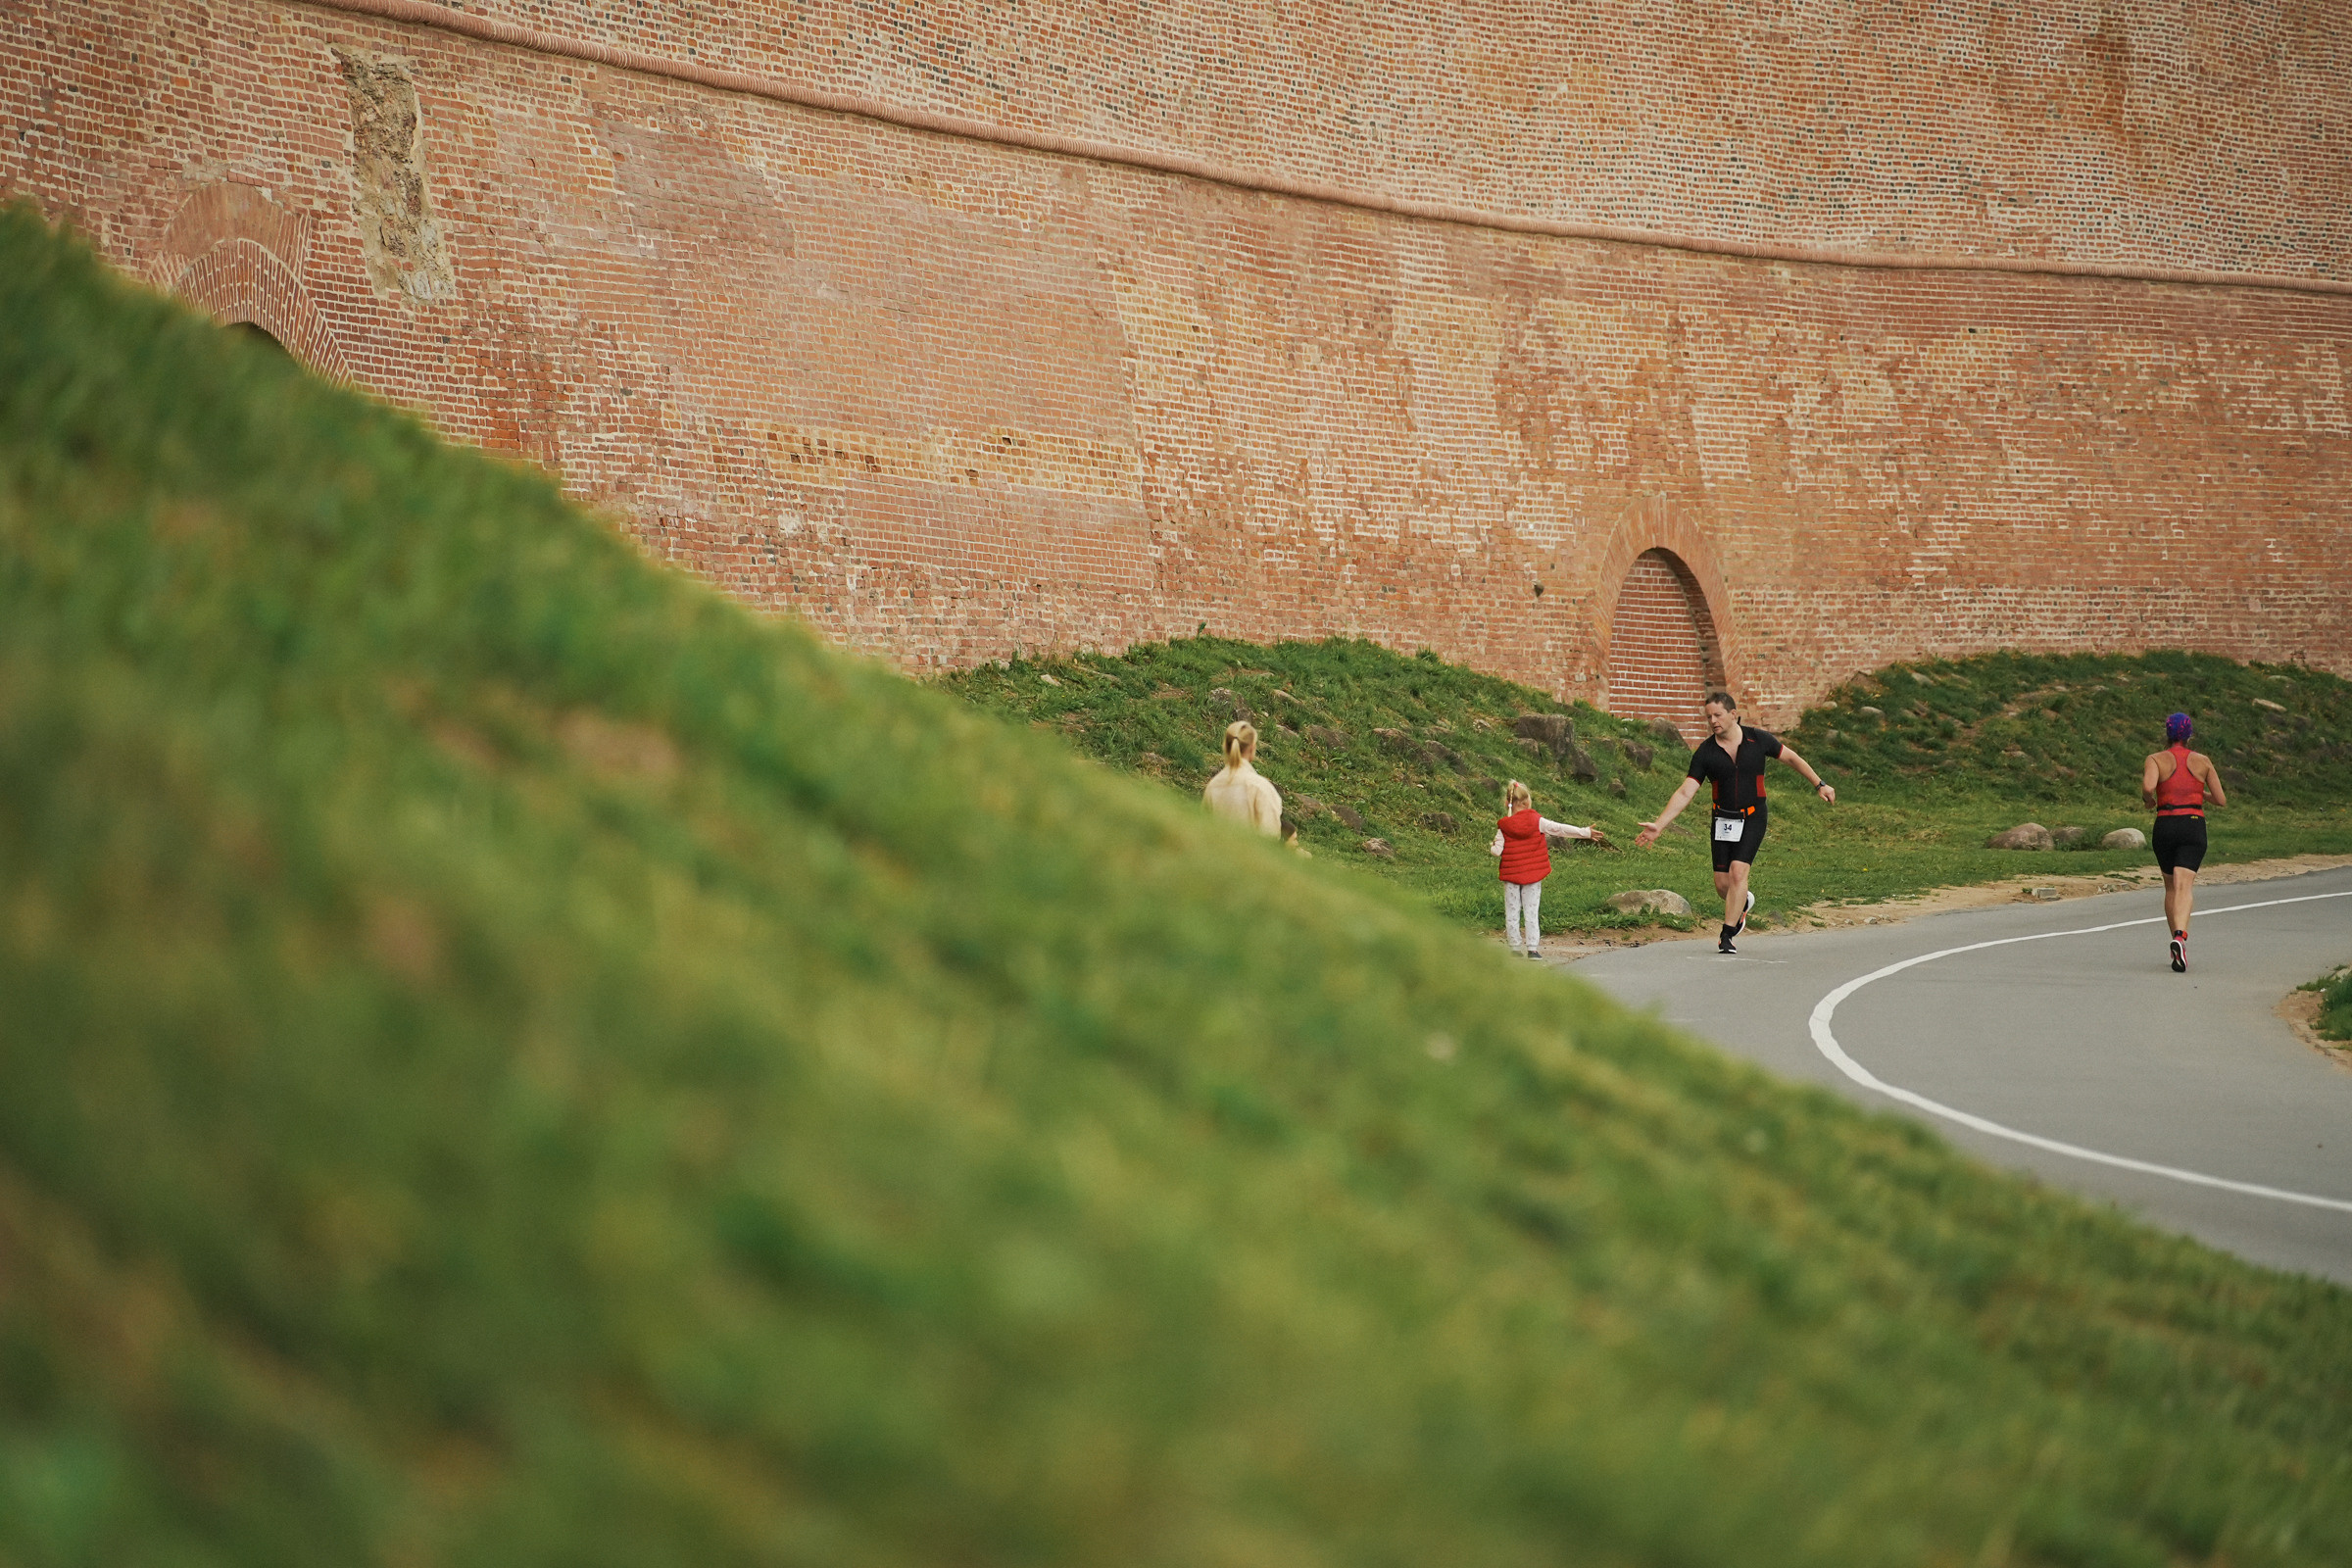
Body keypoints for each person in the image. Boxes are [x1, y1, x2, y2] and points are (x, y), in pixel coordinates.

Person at [1634, 690, 1835, 954]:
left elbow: (1791, 757)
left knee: (1739, 872)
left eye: (1717, 715)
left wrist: (1819, 783)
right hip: (1723, 820)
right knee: (1723, 885)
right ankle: (1743, 902)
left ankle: (1727, 935)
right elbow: (1686, 791)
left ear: (1733, 714)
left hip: (1753, 816)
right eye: (1708, 717)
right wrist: (1659, 825)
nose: (1713, 721)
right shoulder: (1705, 753)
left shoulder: (1758, 739)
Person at [2141, 711, 2226, 973]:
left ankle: (2176, 943)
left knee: (2170, 887)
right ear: (2190, 735)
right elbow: (2221, 799)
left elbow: (2148, 786)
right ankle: (2181, 936)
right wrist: (2200, 794)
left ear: (2166, 733)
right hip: (2192, 823)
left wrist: (2149, 800)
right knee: (2184, 885)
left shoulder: (2156, 759)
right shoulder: (2203, 761)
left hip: (2165, 824)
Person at [1491, 779, 1607, 959]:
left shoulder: (1504, 826)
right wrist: (1585, 832)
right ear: (1528, 802)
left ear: (1507, 803)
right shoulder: (1538, 821)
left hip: (1511, 875)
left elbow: (1496, 852)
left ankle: (1514, 948)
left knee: (1512, 911)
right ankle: (1532, 949)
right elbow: (1559, 829)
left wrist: (1493, 845)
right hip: (1533, 875)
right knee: (1531, 910)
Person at [1202, 719, 1283, 837]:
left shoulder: (1213, 786)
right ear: (1252, 748)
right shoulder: (1260, 787)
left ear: (1226, 746)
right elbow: (1271, 835)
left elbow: (1204, 828)